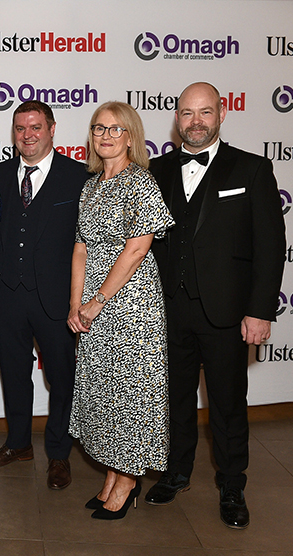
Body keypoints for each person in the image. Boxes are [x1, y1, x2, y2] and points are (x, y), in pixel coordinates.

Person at [145, 82, 286, 529]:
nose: (196, 121)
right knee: (174, 398)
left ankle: (231, 484)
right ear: (176, 119)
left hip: (227, 311)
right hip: (168, 308)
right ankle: (176, 471)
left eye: (205, 112)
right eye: (187, 113)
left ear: (222, 114)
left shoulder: (252, 168)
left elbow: (270, 246)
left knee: (228, 403)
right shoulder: (155, 170)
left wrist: (260, 310)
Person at [67, 102, 174, 520]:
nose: (106, 136)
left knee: (130, 392)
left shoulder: (141, 182)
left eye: (116, 129)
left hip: (131, 302)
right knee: (106, 392)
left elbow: (136, 250)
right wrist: (76, 303)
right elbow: (80, 248)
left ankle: (127, 480)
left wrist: (97, 301)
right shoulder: (91, 186)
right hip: (93, 303)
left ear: (131, 136)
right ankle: (113, 474)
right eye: (99, 128)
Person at [0, 101, 88, 491]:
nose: (27, 135)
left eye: (35, 127)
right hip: (8, 295)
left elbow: (87, 242)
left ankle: (59, 454)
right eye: (20, 128)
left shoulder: (79, 176)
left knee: (62, 378)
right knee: (13, 374)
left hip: (57, 300)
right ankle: (19, 443)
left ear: (52, 129)